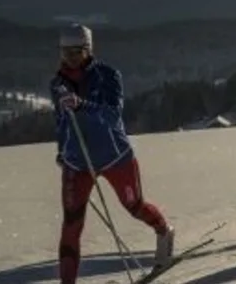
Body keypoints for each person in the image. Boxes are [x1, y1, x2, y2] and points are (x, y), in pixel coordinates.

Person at [49, 23, 175, 284]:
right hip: (78, 162)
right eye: (65, 53)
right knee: (71, 224)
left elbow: (113, 114)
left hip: (115, 156)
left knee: (134, 206)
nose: (70, 59)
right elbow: (61, 122)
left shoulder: (108, 75)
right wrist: (62, 150)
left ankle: (164, 232)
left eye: (76, 52)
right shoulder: (58, 84)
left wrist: (83, 104)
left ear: (88, 50)